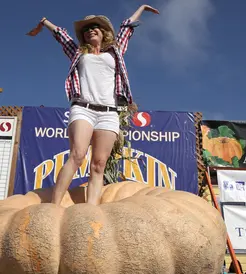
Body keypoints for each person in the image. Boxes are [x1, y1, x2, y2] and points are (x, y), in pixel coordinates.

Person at [34, 5, 159, 205]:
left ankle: (90, 211)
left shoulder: (115, 52)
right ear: (83, 36)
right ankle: (53, 206)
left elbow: (127, 28)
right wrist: (45, 22)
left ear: (104, 33)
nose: (91, 30)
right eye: (87, 29)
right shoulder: (78, 53)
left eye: (95, 27)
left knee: (99, 164)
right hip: (83, 108)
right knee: (77, 155)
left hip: (109, 113)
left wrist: (142, 8)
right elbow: (61, 36)